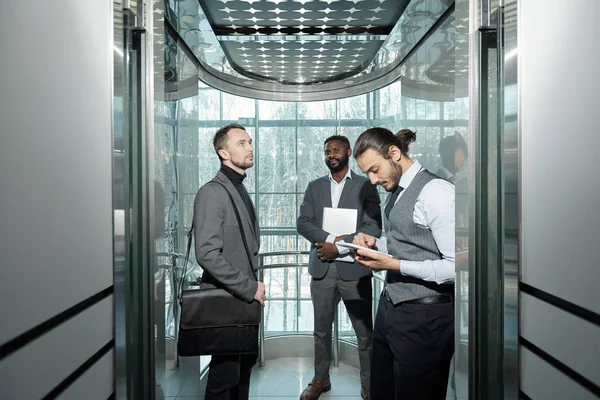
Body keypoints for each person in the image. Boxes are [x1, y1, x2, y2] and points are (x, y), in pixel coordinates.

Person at [351, 128, 455, 400]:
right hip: (392, 309)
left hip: (426, 317)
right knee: (384, 389)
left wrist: (394, 265)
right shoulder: (395, 191)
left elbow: (455, 267)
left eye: (375, 169)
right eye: (367, 174)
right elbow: (410, 245)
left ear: (394, 154)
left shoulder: (437, 192)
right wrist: (375, 245)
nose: (372, 180)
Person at [297, 135, 382, 400]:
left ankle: (369, 384)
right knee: (321, 330)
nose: (330, 154)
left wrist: (341, 247)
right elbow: (303, 222)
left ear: (347, 152)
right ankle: (321, 379)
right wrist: (330, 240)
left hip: (355, 270)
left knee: (364, 333)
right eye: (327, 151)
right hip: (322, 267)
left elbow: (373, 227)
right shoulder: (314, 187)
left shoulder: (366, 186)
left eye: (335, 150)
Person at [193, 123, 266, 400]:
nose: (250, 147)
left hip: (244, 302)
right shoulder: (212, 192)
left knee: (242, 372)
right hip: (229, 301)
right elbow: (207, 254)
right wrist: (250, 288)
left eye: (249, 141)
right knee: (225, 377)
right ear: (224, 153)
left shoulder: (238, 187)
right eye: (241, 143)